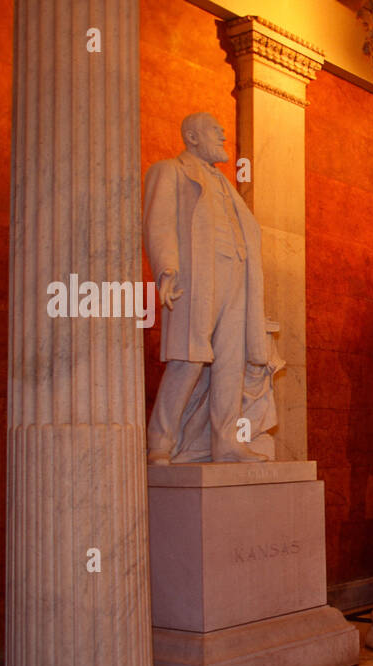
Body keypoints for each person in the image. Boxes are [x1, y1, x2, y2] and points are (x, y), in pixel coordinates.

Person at [145, 112, 280, 464]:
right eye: (213, 129)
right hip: (197, 278)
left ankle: (227, 443)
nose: (222, 133)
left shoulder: (226, 186)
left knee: (230, 363)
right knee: (188, 360)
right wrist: (166, 269)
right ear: (191, 136)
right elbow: (158, 223)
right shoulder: (169, 171)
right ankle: (161, 439)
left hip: (236, 277)